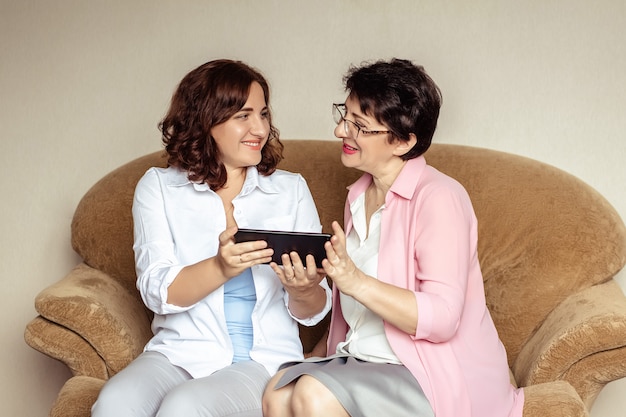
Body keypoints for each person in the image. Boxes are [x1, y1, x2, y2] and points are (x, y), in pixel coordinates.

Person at [262, 58, 524, 417]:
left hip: (430, 372)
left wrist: (354, 280)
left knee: (313, 394)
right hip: (365, 362)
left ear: (403, 141)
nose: (341, 131)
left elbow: (444, 317)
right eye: (345, 116)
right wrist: (319, 352)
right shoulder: (359, 196)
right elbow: (353, 315)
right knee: (276, 393)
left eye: (359, 125)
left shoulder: (440, 198)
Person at [91, 59, 332, 417]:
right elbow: (159, 291)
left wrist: (304, 290)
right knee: (115, 403)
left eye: (263, 114)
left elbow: (315, 310)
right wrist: (221, 267)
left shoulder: (289, 190)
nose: (259, 129)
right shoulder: (159, 187)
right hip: (179, 353)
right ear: (206, 120)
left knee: (185, 408)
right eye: (243, 116)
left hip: (260, 363)